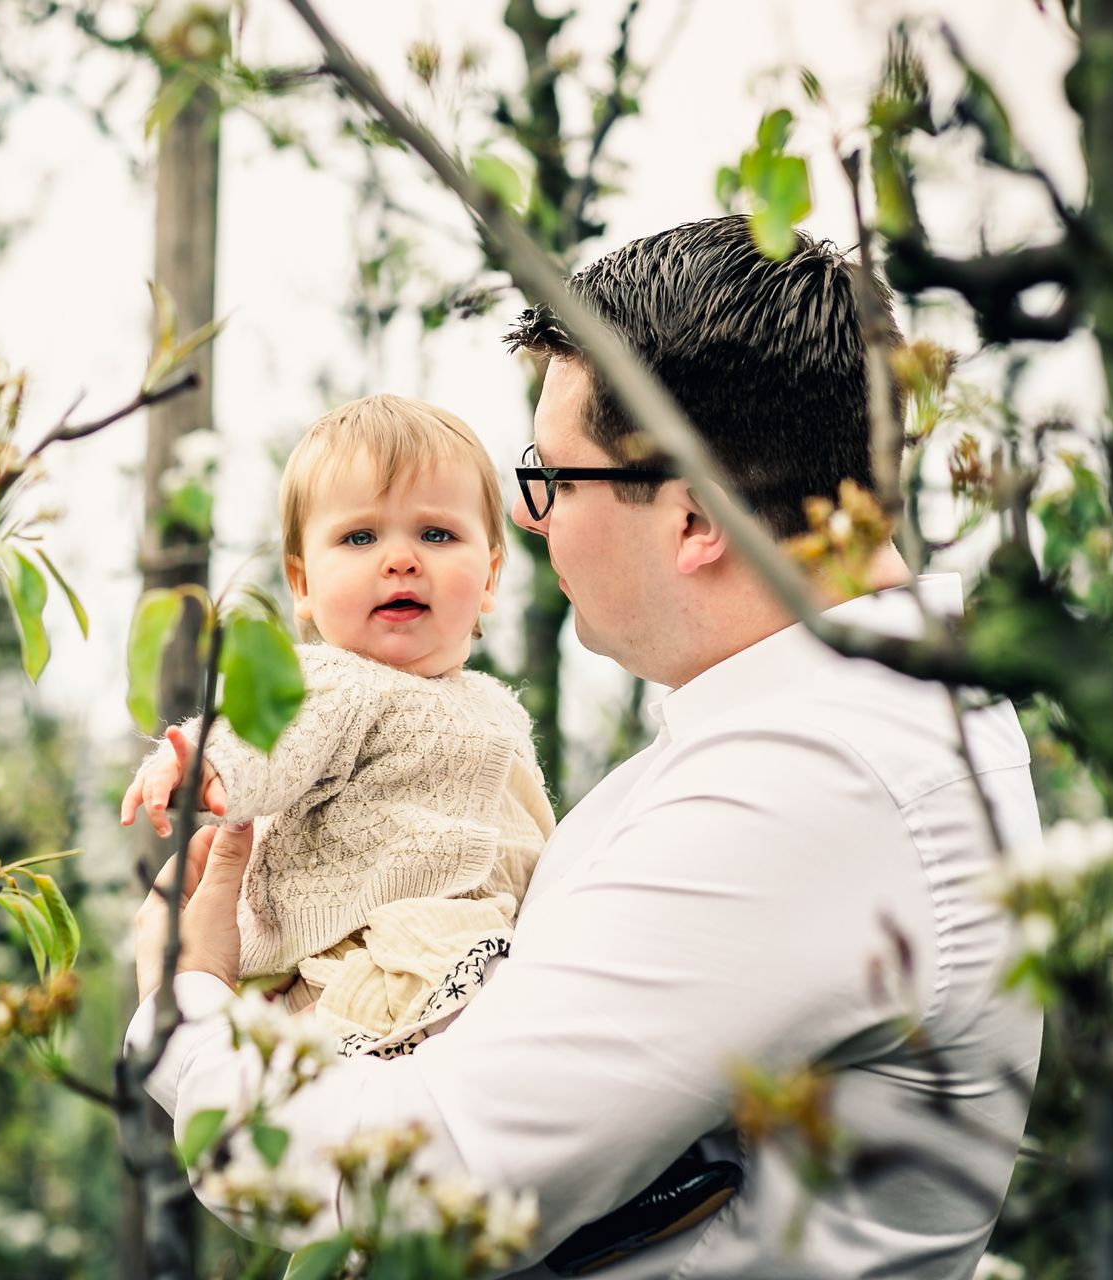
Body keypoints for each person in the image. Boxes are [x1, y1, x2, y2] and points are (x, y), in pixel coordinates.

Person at [124, 215, 1042, 1278]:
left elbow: (409, 1191)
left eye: (554, 477)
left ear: (695, 519)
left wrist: (185, 1010)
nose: (530, 518)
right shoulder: (799, 738)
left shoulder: (817, 784)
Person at [121, 394, 556, 1057]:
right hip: (365, 968)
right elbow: (273, 733)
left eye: (436, 534)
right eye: (360, 537)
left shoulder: (494, 703)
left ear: (491, 575)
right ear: (302, 583)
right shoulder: (336, 678)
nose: (401, 559)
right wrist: (202, 763)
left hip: (476, 952)